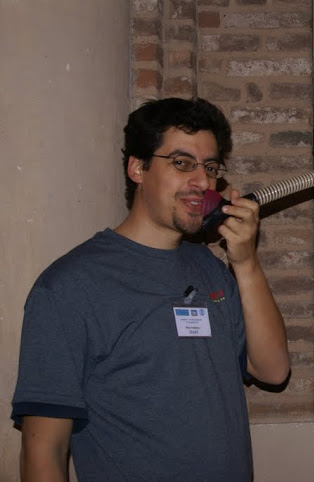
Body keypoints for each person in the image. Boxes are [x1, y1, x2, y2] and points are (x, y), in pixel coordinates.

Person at [11, 97, 290, 481]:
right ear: (138, 168)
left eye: (210, 168)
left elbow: (273, 370)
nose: (203, 182)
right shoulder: (69, 287)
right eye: (182, 163)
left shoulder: (209, 268)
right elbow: (44, 448)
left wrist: (245, 262)